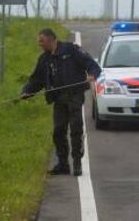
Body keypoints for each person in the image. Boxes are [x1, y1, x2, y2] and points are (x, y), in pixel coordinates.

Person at [21, 29, 101, 176]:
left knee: (76, 129)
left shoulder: (72, 50)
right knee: (58, 131)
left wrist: (92, 75)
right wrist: (27, 92)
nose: (40, 44)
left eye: (42, 41)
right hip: (58, 99)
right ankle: (63, 164)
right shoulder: (44, 59)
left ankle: (77, 163)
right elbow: (36, 80)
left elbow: (92, 65)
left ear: (52, 40)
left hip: (75, 96)